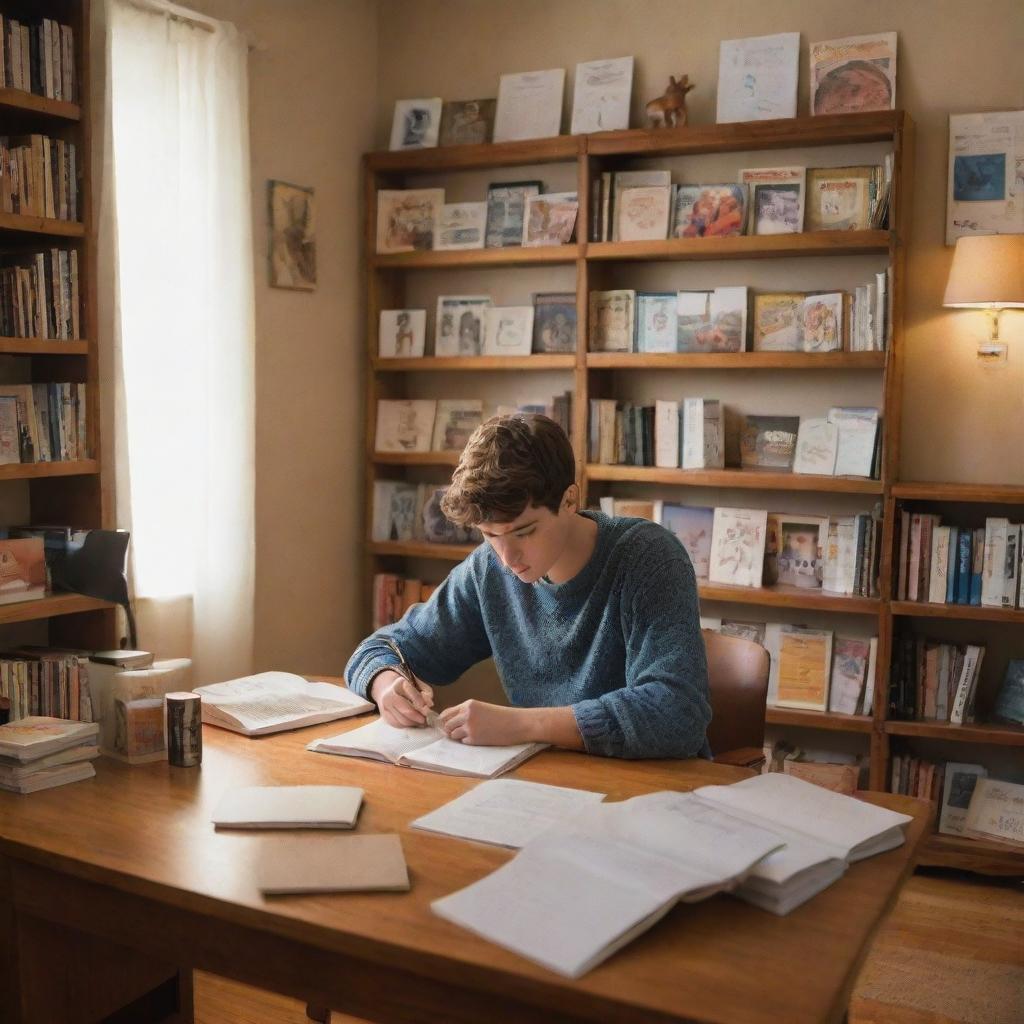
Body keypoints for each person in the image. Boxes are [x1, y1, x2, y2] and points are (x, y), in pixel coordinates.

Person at [345, 413, 711, 759]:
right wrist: (386, 683)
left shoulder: (648, 557)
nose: (507, 557)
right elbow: (379, 648)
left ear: (569, 500)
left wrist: (524, 724)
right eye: (490, 535)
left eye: (525, 531)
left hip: (653, 791)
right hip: (550, 783)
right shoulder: (489, 570)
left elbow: (676, 714)